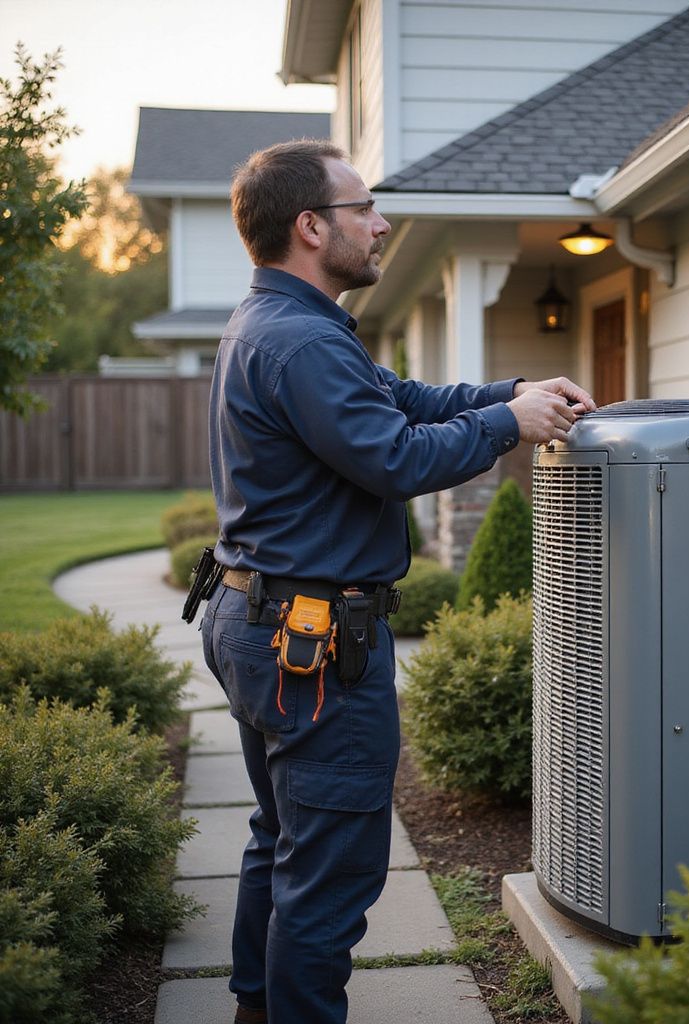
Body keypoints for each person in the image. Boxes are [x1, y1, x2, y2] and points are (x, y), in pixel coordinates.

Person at [200, 139, 595, 1024]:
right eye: (363, 209)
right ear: (311, 226)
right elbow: (393, 456)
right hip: (309, 642)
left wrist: (510, 390)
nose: (381, 225)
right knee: (330, 868)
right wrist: (508, 425)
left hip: (261, 620)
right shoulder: (300, 339)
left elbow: (401, 400)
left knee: (284, 840)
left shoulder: (281, 324)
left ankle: (257, 1010)